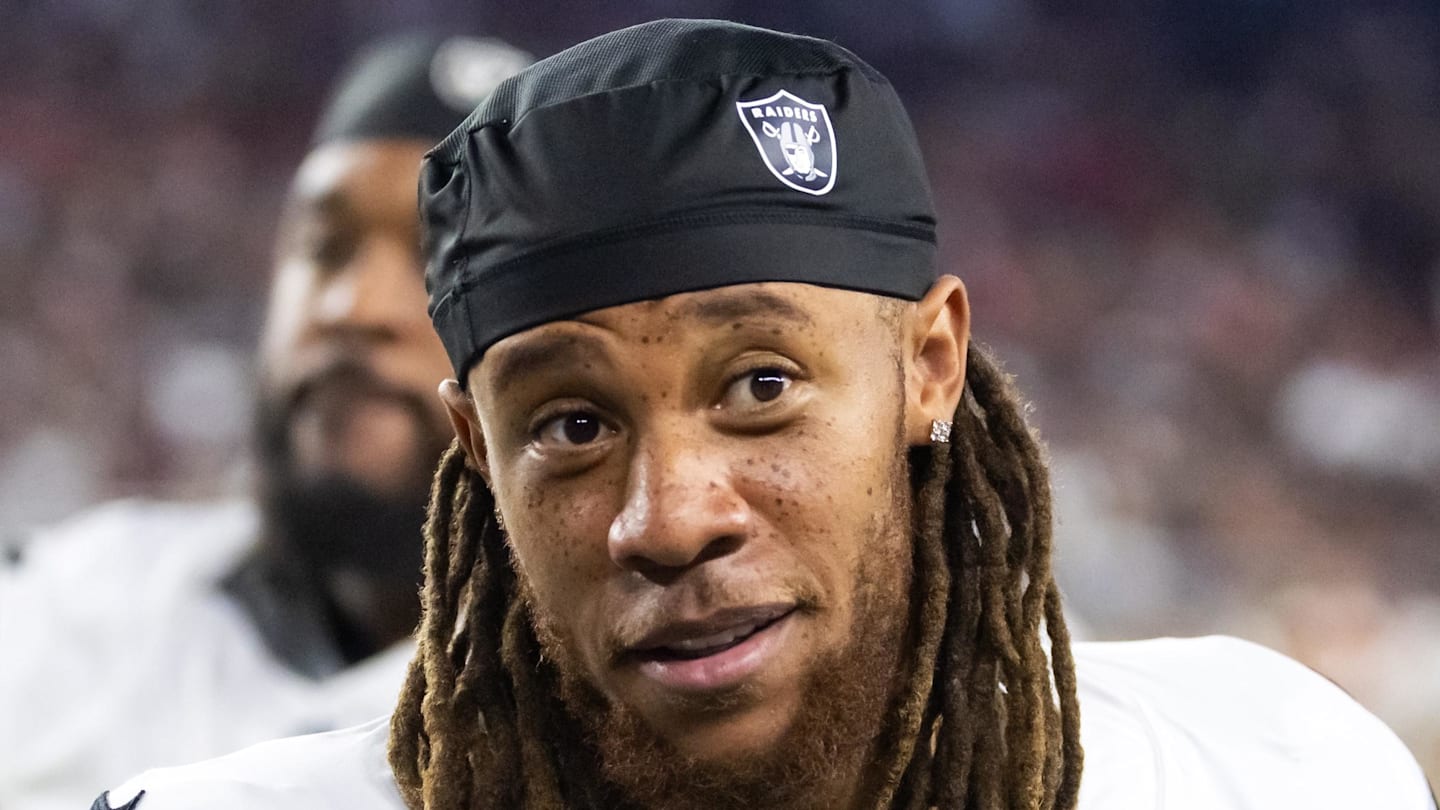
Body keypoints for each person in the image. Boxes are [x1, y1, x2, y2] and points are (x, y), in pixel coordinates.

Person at [92, 19, 1436, 810]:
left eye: (762, 387)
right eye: (569, 424)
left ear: (931, 363)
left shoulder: (1274, 768)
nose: (668, 517)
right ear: (473, 451)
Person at [0, 33, 530, 810]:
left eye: (444, 260)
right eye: (325, 245)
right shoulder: (69, 605)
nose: (354, 308)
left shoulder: (615, 718)